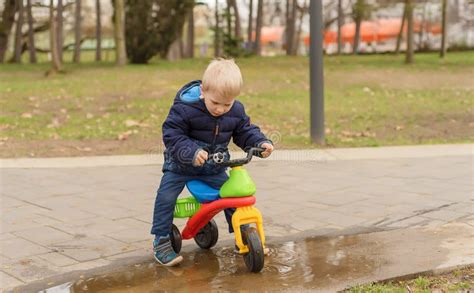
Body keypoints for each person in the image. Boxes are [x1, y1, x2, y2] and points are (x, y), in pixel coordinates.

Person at [151, 59, 274, 266]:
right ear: (202, 91)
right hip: (181, 164)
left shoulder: (235, 110)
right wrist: (191, 151)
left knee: (233, 195)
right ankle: (161, 240)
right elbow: (172, 134)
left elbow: (244, 131)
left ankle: (243, 236)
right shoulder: (185, 108)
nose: (220, 109)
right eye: (215, 103)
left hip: (213, 165)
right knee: (166, 196)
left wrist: (259, 142)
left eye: (227, 104)